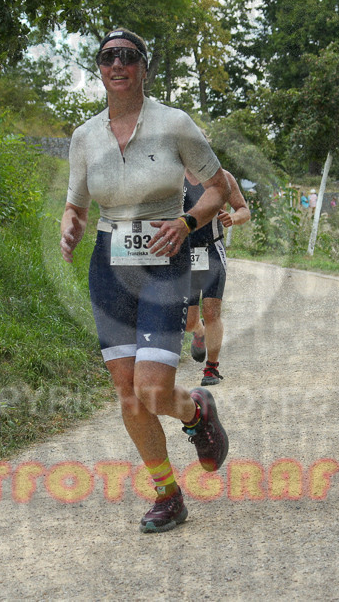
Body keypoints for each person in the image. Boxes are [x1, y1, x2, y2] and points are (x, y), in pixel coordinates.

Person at [60, 28, 230, 533]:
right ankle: (167, 493)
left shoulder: (175, 124)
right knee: (128, 393)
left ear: (143, 67)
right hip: (109, 267)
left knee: (154, 390)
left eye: (128, 57)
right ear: (100, 68)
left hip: (164, 262)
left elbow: (217, 190)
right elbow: (76, 203)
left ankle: (197, 413)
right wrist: (69, 223)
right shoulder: (84, 136)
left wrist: (186, 222)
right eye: (108, 57)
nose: (118, 64)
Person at [184, 169, 251, 385]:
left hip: (212, 250)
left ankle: (211, 368)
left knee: (212, 311)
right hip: (184, 253)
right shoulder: (173, 175)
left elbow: (244, 210)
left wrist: (233, 217)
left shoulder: (222, 177)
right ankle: (199, 331)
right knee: (188, 321)